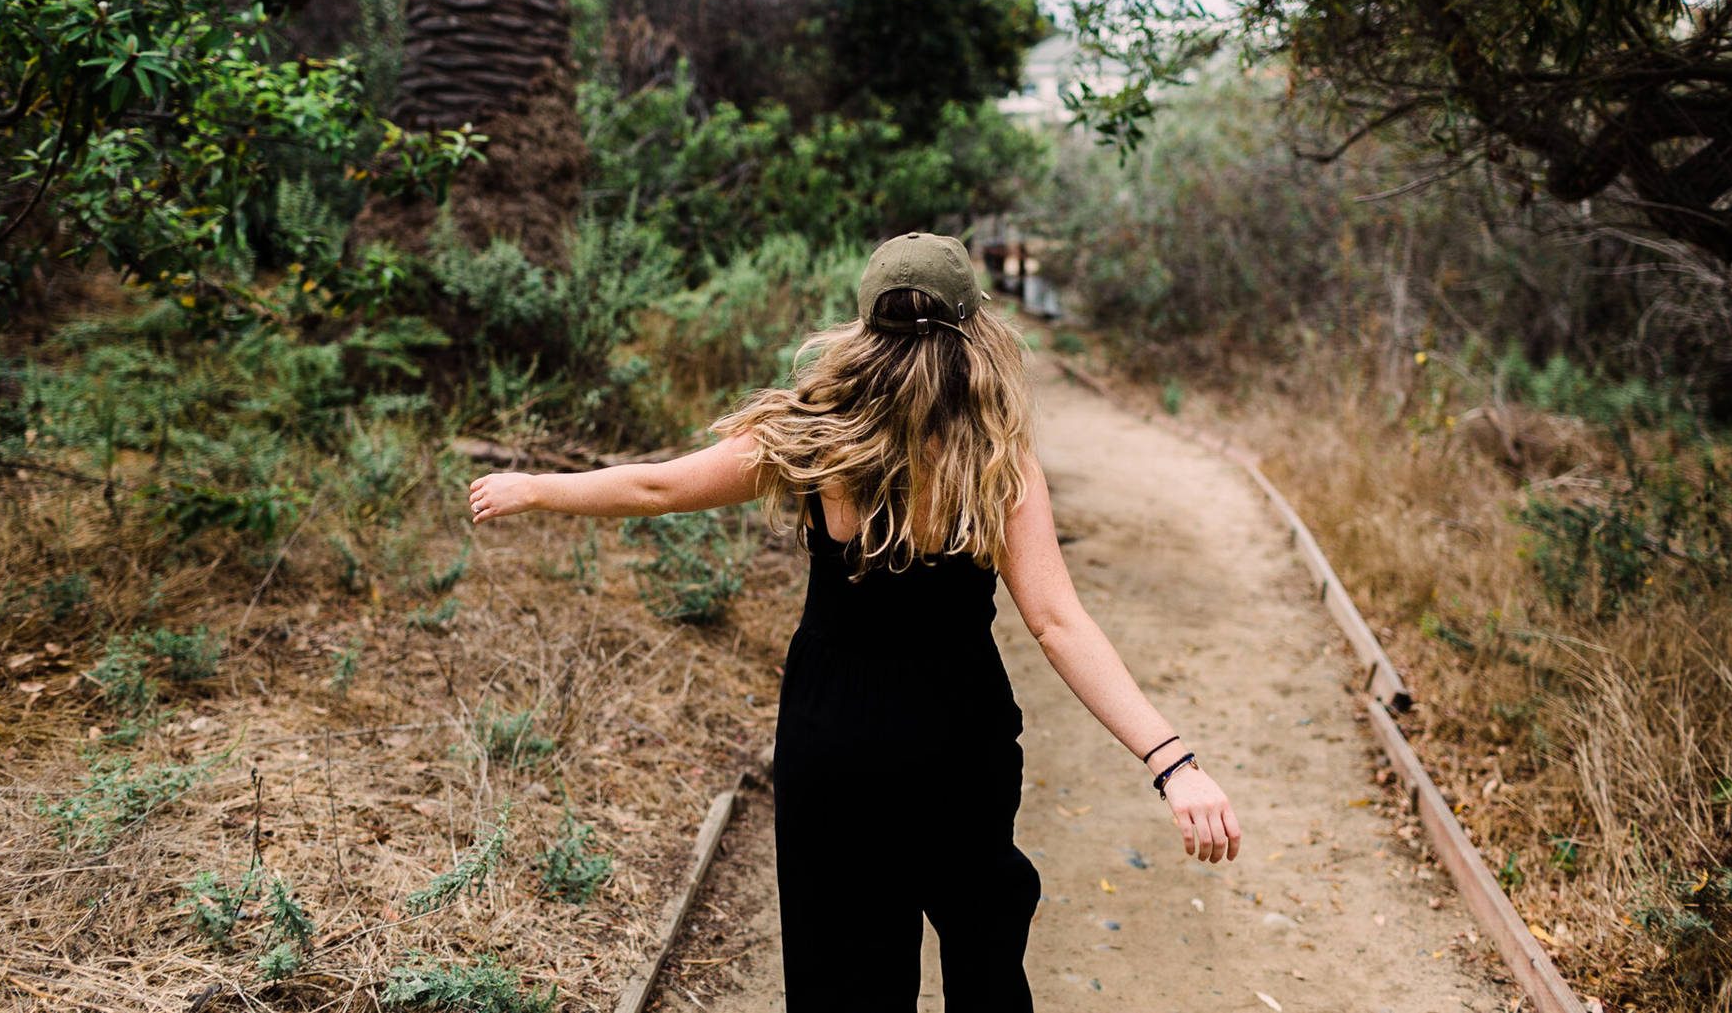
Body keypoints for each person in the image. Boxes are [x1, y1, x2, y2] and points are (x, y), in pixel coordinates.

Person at [467, 231, 1242, 1012]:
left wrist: (535, 485)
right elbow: (1058, 621)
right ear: (973, 327)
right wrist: (1172, 762)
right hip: (958, 740)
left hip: (831, 736)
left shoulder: (812, 439)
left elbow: (654, 489)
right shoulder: (993, 460)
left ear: (865, 326)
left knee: (843, 973)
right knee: (985, 955)